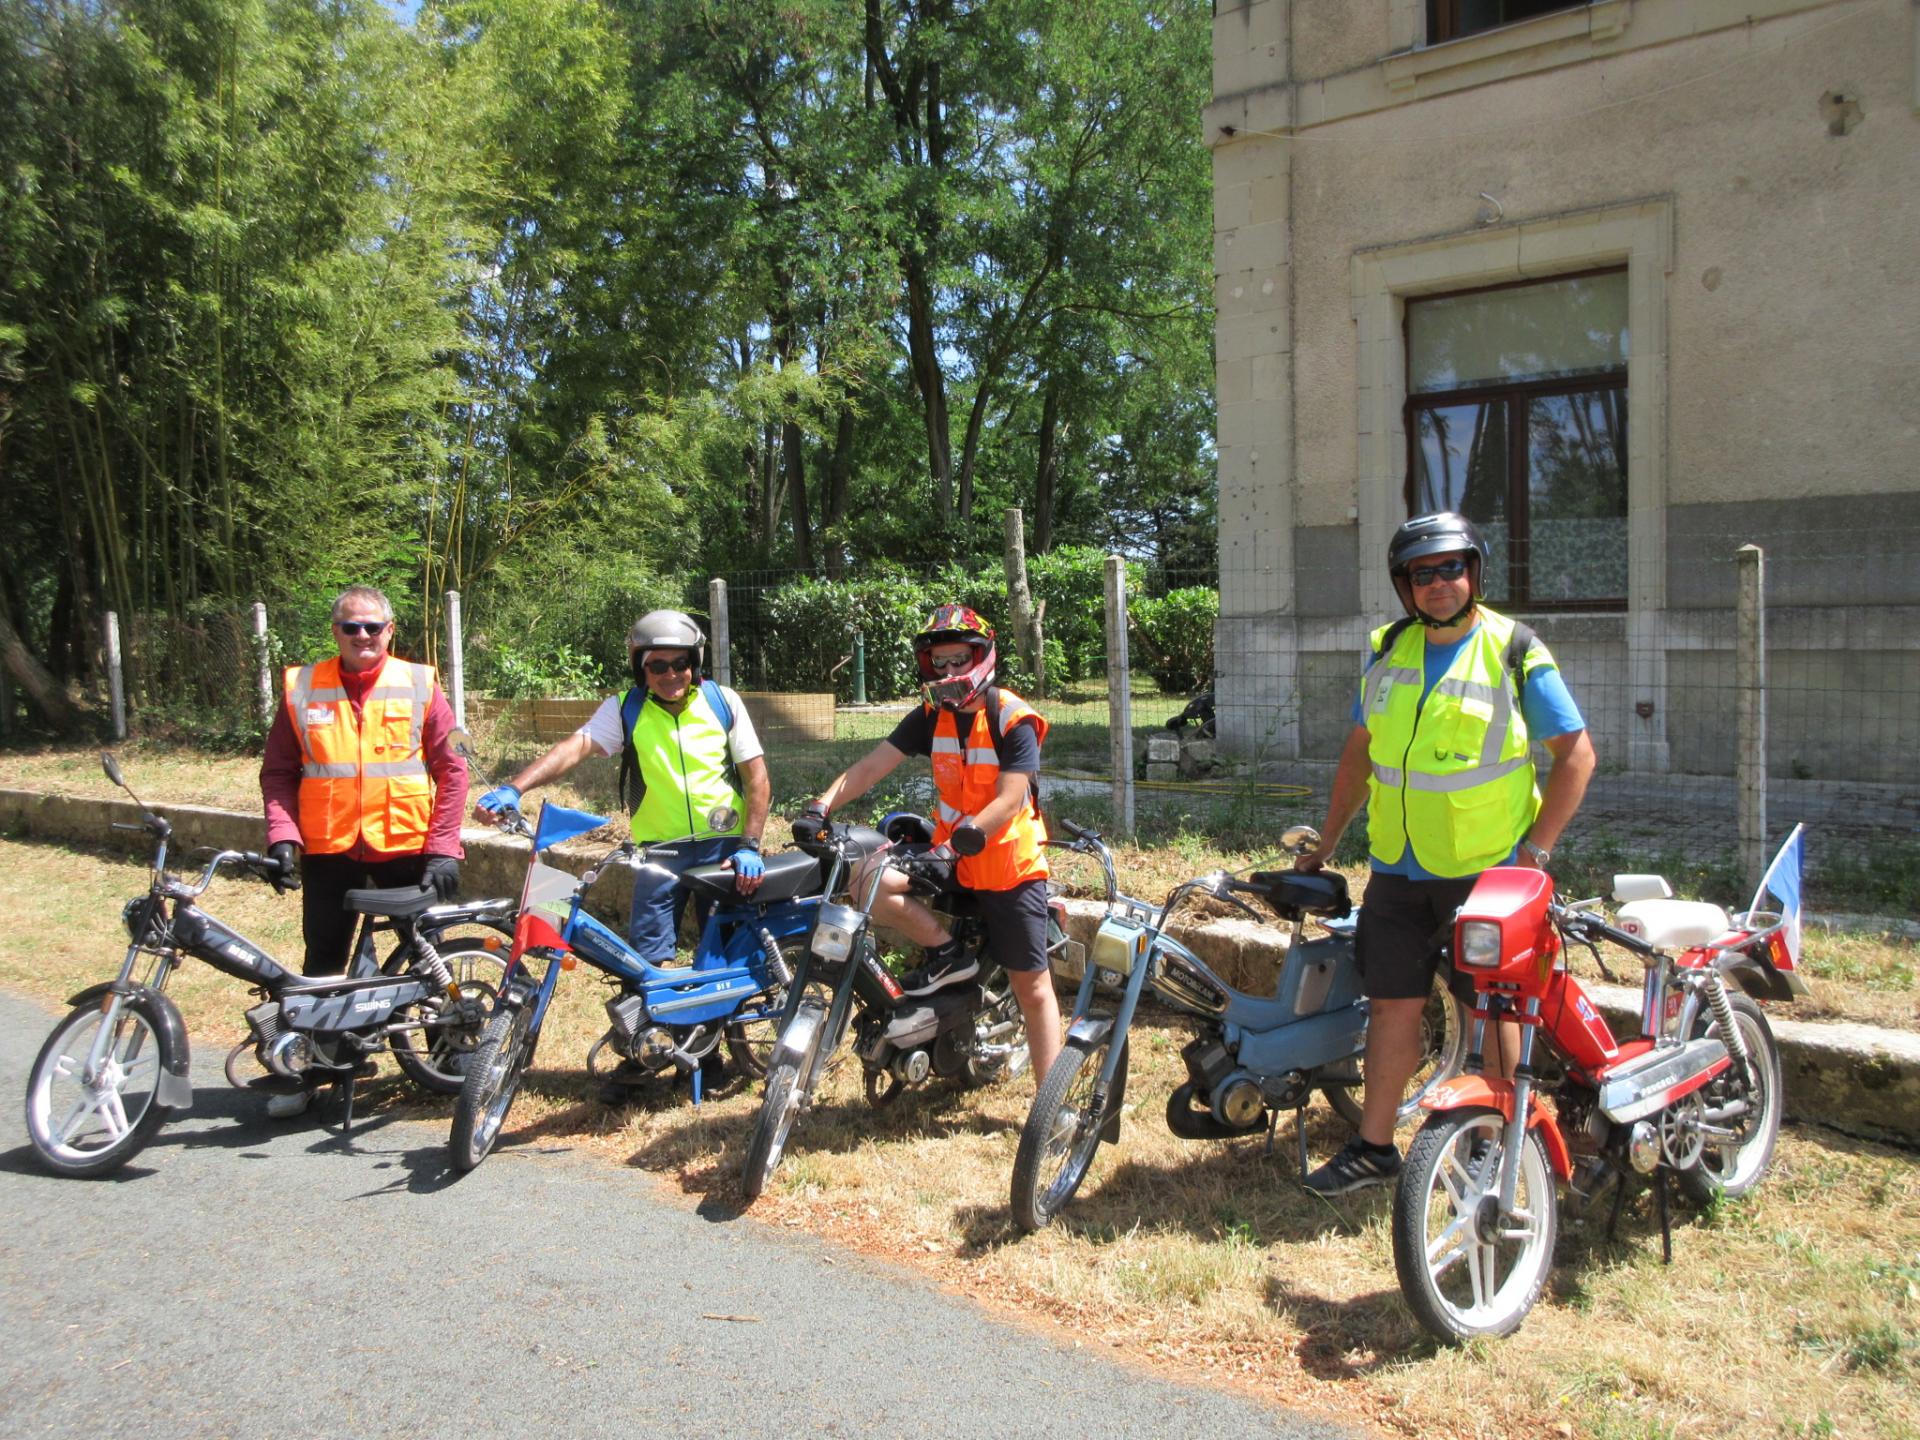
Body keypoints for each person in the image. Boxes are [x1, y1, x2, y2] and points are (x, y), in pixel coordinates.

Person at [1296, 512, 1596, 1195]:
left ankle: (1495, 1147)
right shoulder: (1386, 648)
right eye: (1422, 574)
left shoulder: (1515, 649)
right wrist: (1330, 839)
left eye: (1451, 569)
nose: (1439, 585)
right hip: (1399, 870)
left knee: (1491, 1015)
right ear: (1404, 585)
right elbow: (1360, 753)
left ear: (1475, 572)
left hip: (1486, 878)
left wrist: (1535, 855)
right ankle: (1375, 1148)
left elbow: (1576, 756)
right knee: (1393, 1006)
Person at [797, 605, 1063, 1089]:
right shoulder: (929, 717)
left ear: (982, 657)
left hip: (1009, 866)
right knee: (866, 878)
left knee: (1034, 988)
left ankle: (1052, 1105)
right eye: (938, 663)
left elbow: (1010, 797)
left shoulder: (1012, 717)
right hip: (952, 858)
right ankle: (948, 956)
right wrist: (821, 805)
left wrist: (964, 840)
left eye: (959, 659)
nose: (949, 672)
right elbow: (870, 767)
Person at [470, 606, 770, 989]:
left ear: (694, 662)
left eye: (680, 663)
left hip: (724, 851)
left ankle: (712, 1045)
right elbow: (573, 748)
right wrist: (515, 787)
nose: (670, 675)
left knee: (728, 963)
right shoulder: (625, 709)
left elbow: (757, 778)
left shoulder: (721, 702)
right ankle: (655, 1044)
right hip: (661, 852)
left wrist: (750, 845)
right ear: (641, 670)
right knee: (645, 967)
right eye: (657, 666)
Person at [260, 584, 470, 1117]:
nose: (362, 636)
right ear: (335, 632)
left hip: (405, 843)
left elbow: (453, 769)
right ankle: (315, 1068)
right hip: (329, 847)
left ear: (389, 631)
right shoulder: (303, 687)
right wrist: (282, 835)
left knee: (427, 957)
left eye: (372, 627)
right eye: (351, 627)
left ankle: (450, 1053)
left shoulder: (419, 683)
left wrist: (444, 845)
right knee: (324, 960)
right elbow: (279, 773)